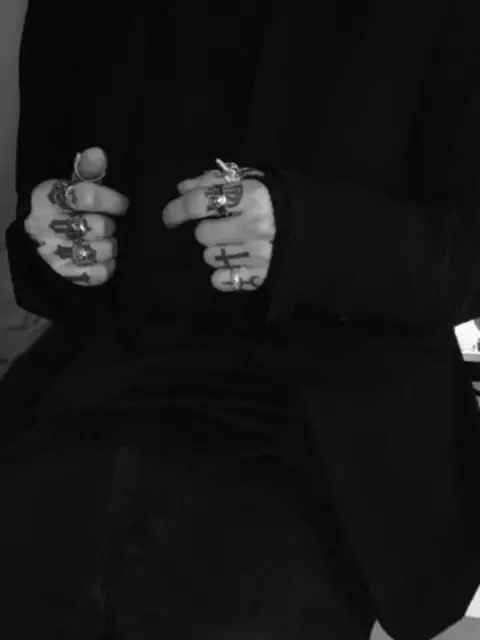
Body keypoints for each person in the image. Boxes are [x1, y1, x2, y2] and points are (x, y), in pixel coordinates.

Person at [1, 0, 480, 638]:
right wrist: (60, 231)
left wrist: (312, 234)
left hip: (321, 429)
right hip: (88, 396)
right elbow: (42, 219)